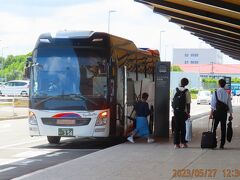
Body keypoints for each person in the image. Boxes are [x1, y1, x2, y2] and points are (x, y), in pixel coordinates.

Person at [209, 79, 233, 149]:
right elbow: (229, 105)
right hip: (224, 113)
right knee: (223, 128)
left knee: (214, 128)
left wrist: (211, 114)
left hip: (216, 113)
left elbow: (213, 105)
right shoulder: (227, 93)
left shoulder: (215, 92)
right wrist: (231, 115)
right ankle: (222, 144)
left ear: (219, 84)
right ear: (224, 85)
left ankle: (213, 143)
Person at [172, 78, 191, 149]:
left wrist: (174, 109)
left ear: (180, 82)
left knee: (176, 128)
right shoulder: (187, 91)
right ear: (186, 84)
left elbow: (172, 101)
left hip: (176, 112)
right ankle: (183, 143)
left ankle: (176, 144)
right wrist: (188, 112)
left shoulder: (174, 90)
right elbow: (188, 103)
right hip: (184, 112)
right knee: (183, 128)